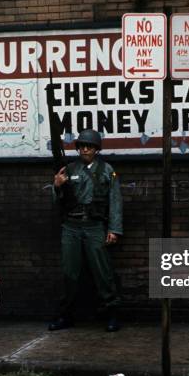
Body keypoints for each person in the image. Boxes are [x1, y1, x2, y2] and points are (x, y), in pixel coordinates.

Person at [48, 129, 123, 332]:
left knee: (102, 271)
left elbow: (115, 201)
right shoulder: (69, 169)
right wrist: (57, 186)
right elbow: (57, 202)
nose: (85, 149)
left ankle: (112, 313)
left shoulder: (107, 170)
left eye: (89, 146)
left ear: (97, 149)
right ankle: (66, 315)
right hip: (71, 226)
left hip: (95, 226)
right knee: (69, 272)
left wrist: (114, 229)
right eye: (81, 146)